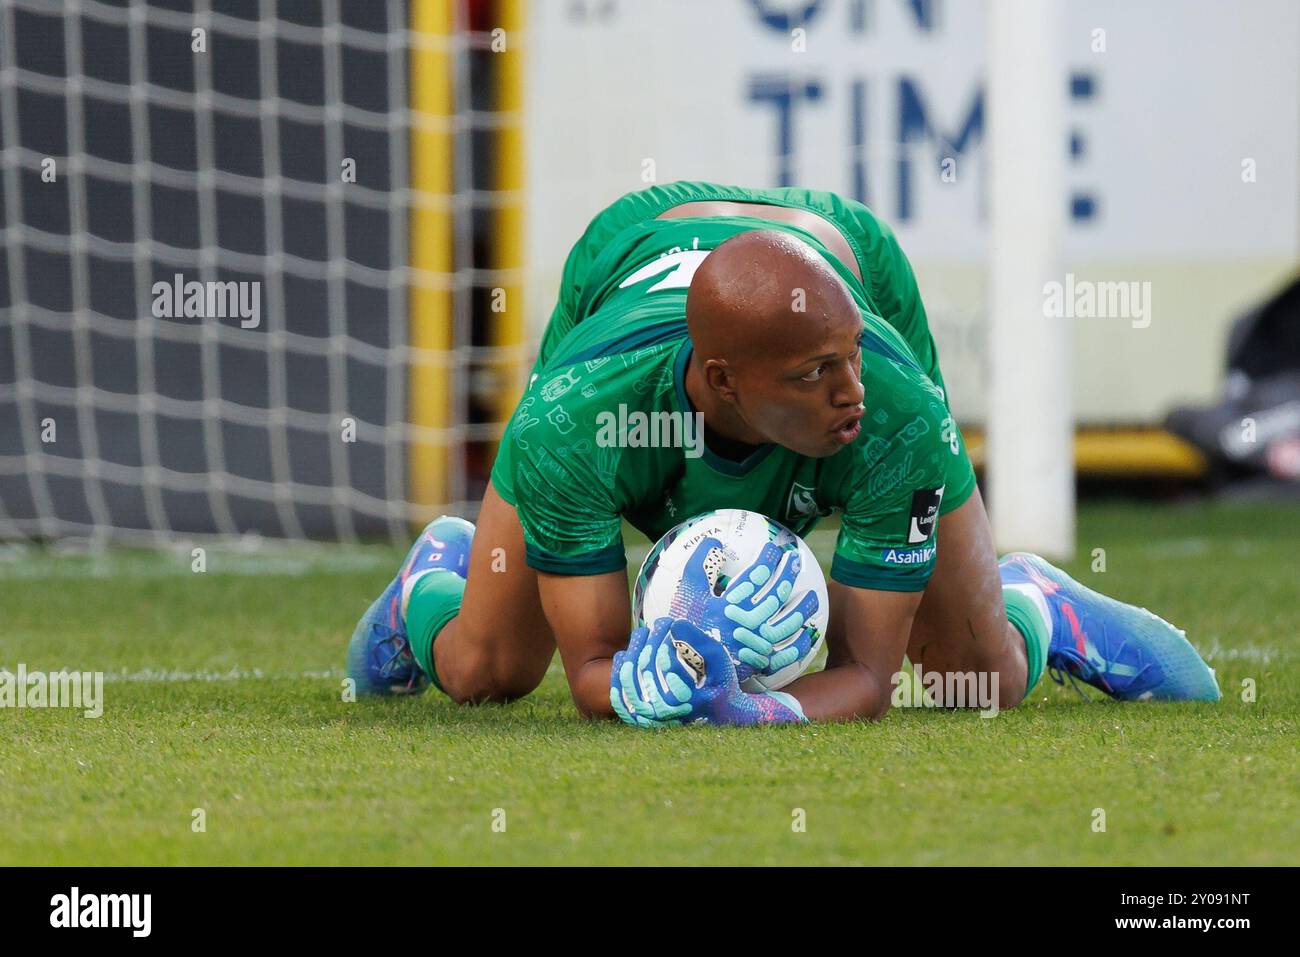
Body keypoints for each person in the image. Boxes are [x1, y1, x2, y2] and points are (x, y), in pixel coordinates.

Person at [346, 181, 1220, 726]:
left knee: (972, 677)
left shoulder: (893, 407)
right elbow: (588, 666)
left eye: (851, 360)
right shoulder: (574, 417)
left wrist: (752, 708)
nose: (854, 393)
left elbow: (869, 678)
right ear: (721, 381)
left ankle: (1039, 603)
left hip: (842, 247)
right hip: (629, 248)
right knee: (487, 670)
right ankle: (431, 578)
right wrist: (626, 685)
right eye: (816, 375)